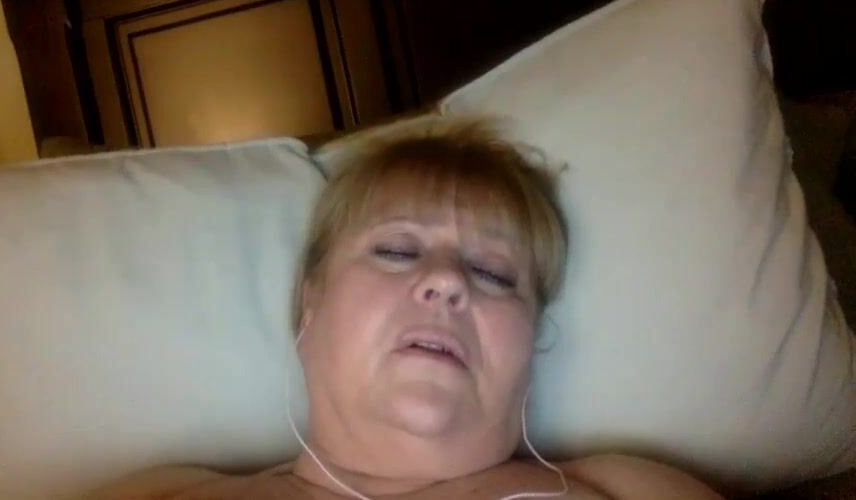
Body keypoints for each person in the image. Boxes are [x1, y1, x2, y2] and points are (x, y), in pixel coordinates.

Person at [92, 120, 722, 499]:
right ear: (309, 303)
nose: (446, 281)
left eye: (493, 273)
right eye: (396, 251)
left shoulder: (630, 491)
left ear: (532, 345)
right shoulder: (161, 494)